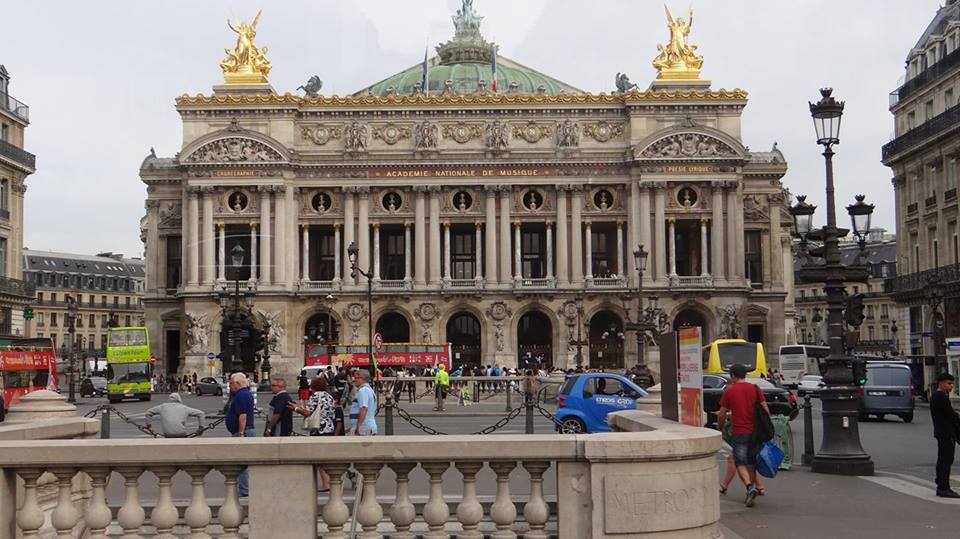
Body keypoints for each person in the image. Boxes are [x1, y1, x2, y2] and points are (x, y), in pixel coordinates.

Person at [715, 363, 769, 508]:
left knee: (740, 463)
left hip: (739, 432)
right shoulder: (755, 389)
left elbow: (721, 414)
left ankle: (749, 487)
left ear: (732, 376)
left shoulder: (730, 391)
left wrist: (720, 427)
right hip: (755, 432)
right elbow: (765, 409)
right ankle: (754, 489)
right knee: (751, 463)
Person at [290, 376, 337, 492]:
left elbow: (307, 412)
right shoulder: (329, 396)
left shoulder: (315, 396)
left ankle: (326, 484)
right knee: (327, 456)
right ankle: (331, 481)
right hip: (329, 428)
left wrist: (295, 409)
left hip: (318, 429)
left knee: (319, 457)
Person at [225, 372, 256, 497]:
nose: (230, 385)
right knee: (243, 464)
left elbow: (242, 416)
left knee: (242, 464)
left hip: (244, 431)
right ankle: (244, 488)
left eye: (231, 383)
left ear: (237, 384)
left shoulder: (241, 396)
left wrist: (241, 433)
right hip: (245, 430)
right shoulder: (244, 394)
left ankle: (244, 490)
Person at [930, 372, 960, 498]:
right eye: (949, 383)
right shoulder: (940, 396)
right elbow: (950, 414)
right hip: (945, 432)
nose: (951, 386)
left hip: (942, 432)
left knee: (944, 459)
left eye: (952, 383)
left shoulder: (938, 396)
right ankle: (943, 487)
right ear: (941, 383)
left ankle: (941, 483)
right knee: (946, 460)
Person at [349, 369, 378, 436]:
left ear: (362, 378)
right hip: (368, 425)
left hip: (364, 427)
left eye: (356, 378)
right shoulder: (369, 390)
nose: (354, 380)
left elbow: (363, 408)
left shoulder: (363, 391)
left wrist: (359, 426)